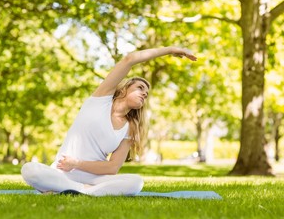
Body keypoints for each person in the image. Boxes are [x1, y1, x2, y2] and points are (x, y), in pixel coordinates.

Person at [21, 46, 197, 196]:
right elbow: (130, 59)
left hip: (94, 177)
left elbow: (112, 168)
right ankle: (84, 190)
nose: (144, 93)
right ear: (124, 90)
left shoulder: (130, 127)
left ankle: (76, 190)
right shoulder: (101, 98)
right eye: (140, 88)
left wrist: (77, 163)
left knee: (136, 183)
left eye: (147, 93)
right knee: (29, 170)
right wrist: (170, 50)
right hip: (63, 171)